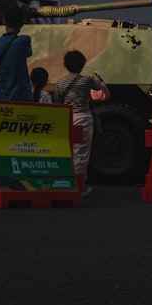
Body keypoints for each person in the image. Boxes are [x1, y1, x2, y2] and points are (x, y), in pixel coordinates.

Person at [53, 50, 104, 196]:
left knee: (69, 152)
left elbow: (57, 102)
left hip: (68, 118)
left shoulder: (60, 82)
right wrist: (98, 76)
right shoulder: (87, 80)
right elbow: (98, 87)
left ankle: (68, 182)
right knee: (81, 154)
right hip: (83, 118)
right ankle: (78, 186)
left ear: (65, 65)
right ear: (82, 65)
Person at [0, 6, 33, 101]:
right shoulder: (24, 41)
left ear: (4, 21)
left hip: (1, 98)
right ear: (22, 24)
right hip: (22, 98)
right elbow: (29, 53)